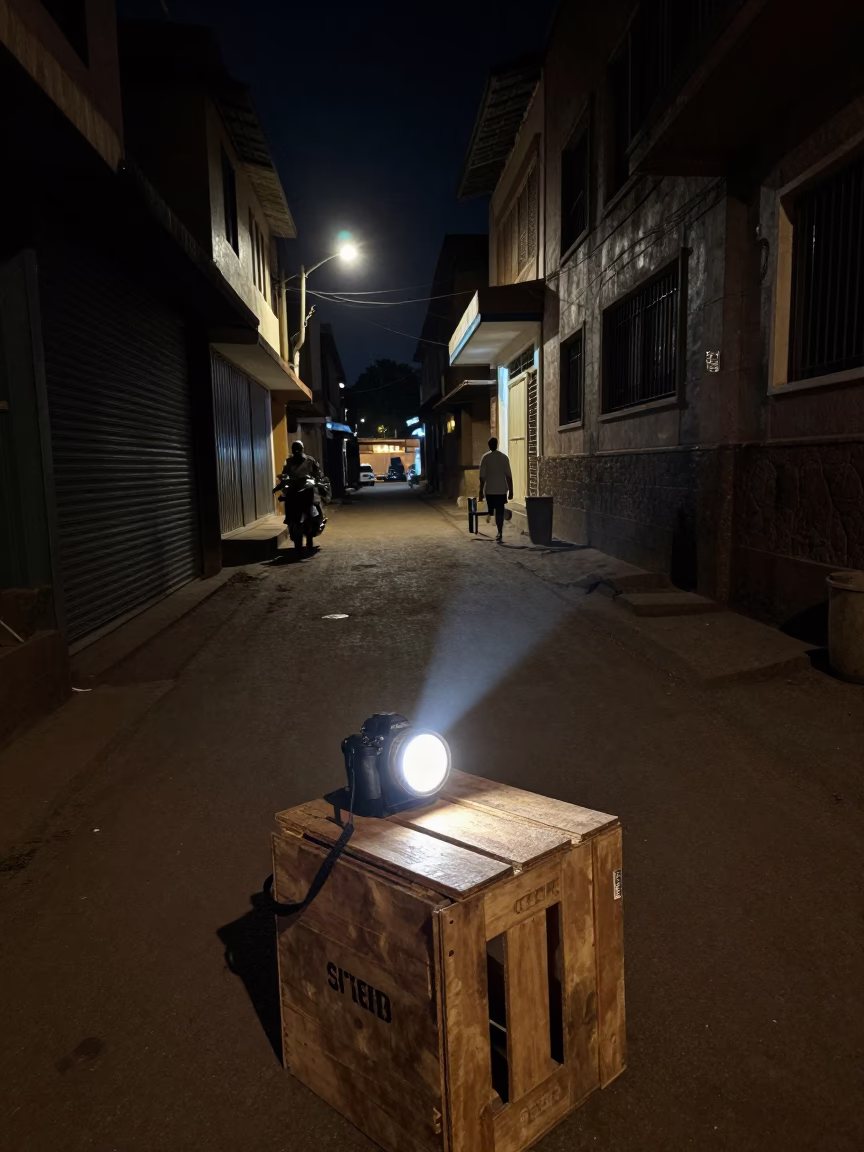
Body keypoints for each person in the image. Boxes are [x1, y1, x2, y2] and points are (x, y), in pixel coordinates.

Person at [278, 440, 323, 549]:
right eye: (295, 449)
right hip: (294, 490)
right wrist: (283, 480)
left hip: (307, 489)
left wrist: (316, 479)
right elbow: (285, 474)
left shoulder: (309, 460)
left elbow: (317, 473)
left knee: (314, 504)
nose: (297, 451)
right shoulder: (289, 461)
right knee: (288, 503)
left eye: (299, 448)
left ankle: (314, 527)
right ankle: (290, 521)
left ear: (302, 449)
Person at [478, 437, 513, 542]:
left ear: (489, 446)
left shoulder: (485, 458)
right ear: (497, 444)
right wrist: (511, 491)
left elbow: (482, 477)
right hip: (501, 490)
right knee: (500, 511)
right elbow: (509, 476)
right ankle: (499, 532)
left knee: (493, 509)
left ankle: (490, 514)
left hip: (490, 490)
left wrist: (480, 492)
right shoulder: (504, 457)